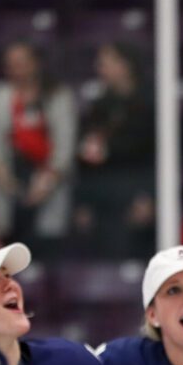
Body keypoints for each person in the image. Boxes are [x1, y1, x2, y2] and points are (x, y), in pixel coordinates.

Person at [0, 42, 76, 248]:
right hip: (7, 183)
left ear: (36, 64)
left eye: (22, 63)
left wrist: (48, 181)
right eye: (11, 65)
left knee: (47, 245)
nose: (17, 70)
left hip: (48, 184)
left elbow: (65, 146)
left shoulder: (58, 95)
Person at [74, 42, 155, 260]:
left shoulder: (151, 104)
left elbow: (158, 156)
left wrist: (150, 195)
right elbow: (86, 158)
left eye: (105, 63)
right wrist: (83, 201)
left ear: (125, 65)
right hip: (102, 200)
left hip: (134, 195)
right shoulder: (99, 106)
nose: (99, 69)